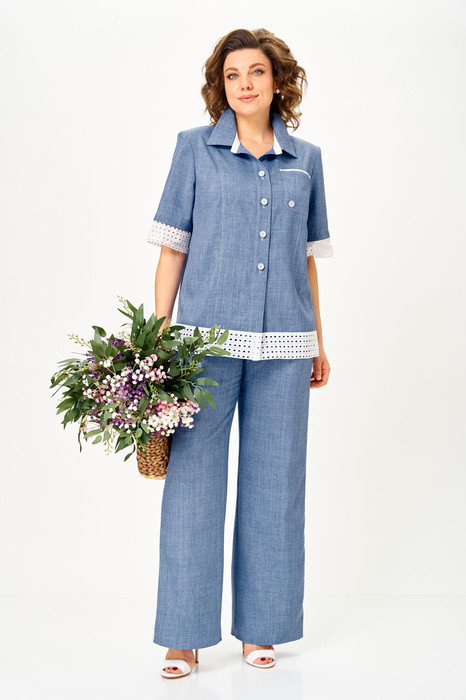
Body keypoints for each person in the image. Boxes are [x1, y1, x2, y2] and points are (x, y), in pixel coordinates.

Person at [146, 27, 333, 678]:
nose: (245, 84)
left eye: (256, 72)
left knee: (276, 486)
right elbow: (172, 249)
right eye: (232, 75)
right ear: (219, 86)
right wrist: (156, 337)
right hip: (203, 343)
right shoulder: (193, 150)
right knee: (193, 486)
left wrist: (319, 340)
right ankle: (183, 636)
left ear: (277, 81)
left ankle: (262, 628)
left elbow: (306, 260)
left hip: (286, 343)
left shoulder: (306, 159)